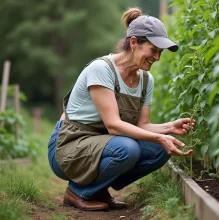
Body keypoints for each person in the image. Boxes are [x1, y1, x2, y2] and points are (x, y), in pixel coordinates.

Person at [47, 7, 194, 211]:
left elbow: (143, 125)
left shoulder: (145, 80)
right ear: (133, 43)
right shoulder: (102, 69)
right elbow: (114, 126)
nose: (157, 58)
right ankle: (78, 192)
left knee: (159, 150)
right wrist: (160, 136)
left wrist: (169, 128)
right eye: (153, 50)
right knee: (128, 148)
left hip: (102, 144)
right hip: (69, 145)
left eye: (160, 52)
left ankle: (99, 189)